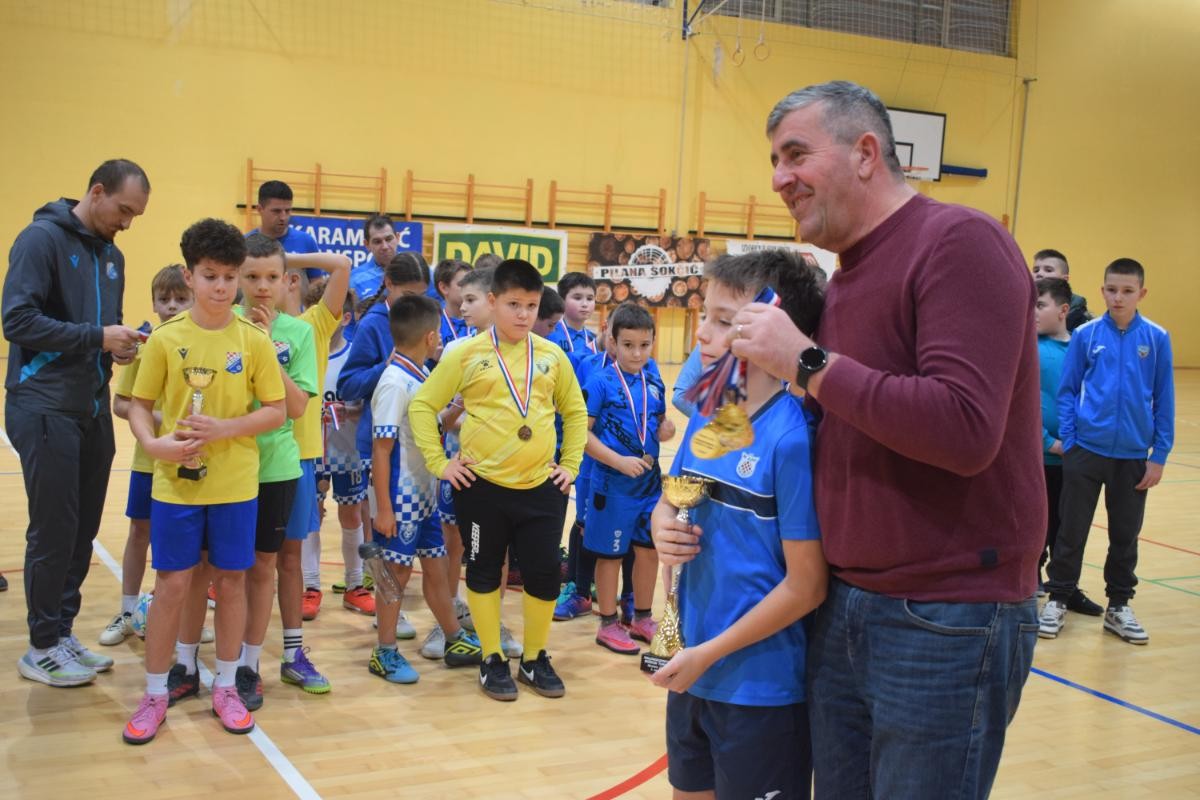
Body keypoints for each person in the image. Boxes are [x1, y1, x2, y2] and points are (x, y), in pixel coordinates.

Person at [721, 81, 1043, 797]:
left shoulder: (959, 241)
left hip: (946, 613)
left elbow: (964, 428)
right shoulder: (846, 278)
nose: (778, 179)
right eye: (774, 160)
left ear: (866, 153)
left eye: (796, 154)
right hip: (847, 601)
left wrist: (807, 363)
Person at [650, 251, 828, 800]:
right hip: (693, 669)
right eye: (705, 315)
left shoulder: (790, 440)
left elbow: (807, 586)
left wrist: (709, 654)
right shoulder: (711, 411)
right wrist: (661, 523)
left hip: (759, 690)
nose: (702, 333)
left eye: (724, 321)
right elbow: (670, 501)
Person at [120, 218, 286, 744]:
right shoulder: (166, 339)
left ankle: (228, 685)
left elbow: (277, 410)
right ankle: (154, 693)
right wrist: (153, 445)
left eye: (229, 277)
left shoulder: (253, 340)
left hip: (236, 485)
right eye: (210, 276)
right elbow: (139, 406)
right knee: (172, 583)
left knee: (231, 582)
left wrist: (224, 429)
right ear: (189, 276)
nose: (221, 287)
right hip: (176, 484)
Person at [410, 259, 587, 702]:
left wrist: (570, 465)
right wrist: (439, 463)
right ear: (492, 302)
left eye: (531, 306)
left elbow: (575, 411)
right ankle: (492, 658)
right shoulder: (465, 354)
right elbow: (422, 405)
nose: (523, 314)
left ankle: (534, 658)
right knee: (485, 571)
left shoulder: (552, 355)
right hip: (482, 488)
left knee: (544, 574)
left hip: (542, 488)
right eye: (513, 304)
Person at [5, 159, 149, 687]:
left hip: (90, 406)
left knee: (83, 528)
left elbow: (100, 331)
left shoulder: (113, 255)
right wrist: (96, 337)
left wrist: (119, 347)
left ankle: (62, 634)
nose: (127, 223)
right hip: (43, 404)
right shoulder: (40, 240)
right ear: (97, 191)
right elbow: (16, 320)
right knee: (54, 529)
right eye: (123, 210)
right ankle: (40, 644)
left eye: (135, 216)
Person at [1038, 258, 1174, 646]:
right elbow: (1068, 390)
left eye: (1127, 291)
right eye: (1112, 290)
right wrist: (1071, 438)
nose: (1118, 297)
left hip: (1132, 456)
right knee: (1071, 530)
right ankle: (1058, 598)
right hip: (1086, 452)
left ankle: (1119, 605)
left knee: (1125, 535)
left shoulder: (1157, 338)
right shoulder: (1086, 335)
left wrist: (1158, 455)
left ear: (1141, 294)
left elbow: (1164, 398)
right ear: (1102, 291)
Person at [368, 295, 484, 683]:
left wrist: (458, 405)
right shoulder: (394, 382)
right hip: (399, 497)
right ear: (431, 337)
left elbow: (431, 429)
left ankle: (454, 637)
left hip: (423, 493)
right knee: (395, 573)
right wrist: (385, 508)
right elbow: (381, 448)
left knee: (435, 567)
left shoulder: (419, 376)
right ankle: (384, 652)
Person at [337, 253, 432, 640]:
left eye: (421, 295)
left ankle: (405, 612)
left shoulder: (423, 321)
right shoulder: (373, 323)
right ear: (388, 285)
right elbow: (347, 384)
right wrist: (389, 365)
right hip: (377, 445)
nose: (416, 302)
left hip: (412, 450)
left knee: (410, 547)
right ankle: (386, 616)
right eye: (409, 294)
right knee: (383, 536)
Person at [100, 265, 194, 647]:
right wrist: (162, 420)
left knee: (185, 543)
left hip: (190, 462)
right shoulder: (145, 347)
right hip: (148, 461)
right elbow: (121, 404)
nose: (171, 306)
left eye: (180, 299)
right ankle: (128, 611)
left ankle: (182, 616)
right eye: (163, 299)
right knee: (140, 532)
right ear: (153, 303)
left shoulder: (203, 347)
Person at [583, 303, 674, 655]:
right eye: (628, 345)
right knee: (611, 555)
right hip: (612, 484)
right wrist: (618, 462)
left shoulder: (655, 380)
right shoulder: (599, 383)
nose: (637, 353)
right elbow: (581, 435)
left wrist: (667, 429)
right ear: (612, 342)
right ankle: (608, 623)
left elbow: (658, 423)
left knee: (649, 551)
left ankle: (641, 617)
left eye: (644, 345)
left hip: (649, 484)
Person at [315, 295, 373, 609]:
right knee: (311, 517)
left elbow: (367, 406)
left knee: (351, 515)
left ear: (346, 318)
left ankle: (355, 584)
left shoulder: (354, 357)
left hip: (348, 453)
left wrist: (348, 411)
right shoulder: (304, 353)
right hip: (310, 452)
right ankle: (310, 585)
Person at [1032, 277, 1073, 598]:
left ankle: (1063, 587)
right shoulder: (1031, 348)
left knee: (1065, 527)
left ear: (1063, 310)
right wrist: (1048, 442)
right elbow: (1023, 406)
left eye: (1040, 305)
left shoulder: (1081, 348)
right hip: (1039, 459)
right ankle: (1029, 578)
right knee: (1036, 525)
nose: (1032, 312)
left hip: (1072, 460)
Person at [248, 180, 321, 279]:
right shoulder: (245, 244)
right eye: (276, 211)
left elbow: (316, 282)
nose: (283, 217)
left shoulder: (306, 241)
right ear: (260, 209)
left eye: (287, 211)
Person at [1031, 248, 1093, 332]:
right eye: (1036, 270)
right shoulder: (1024, 303)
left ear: (1064, 279)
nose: (1039, 274)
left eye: (1048, 270)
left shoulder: (1080, 317)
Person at [547, 271, 598, 364]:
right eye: (577, 298)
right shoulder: (549, 333)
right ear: (561, 300)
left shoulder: (594, 338)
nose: (585, 304)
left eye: (590, 299)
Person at [349, 214, 399, 303]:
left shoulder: (416, 270)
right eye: (377, 242)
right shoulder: (353, 279)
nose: (385, 246)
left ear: (398, 238)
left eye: (388, 239)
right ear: (367, 245)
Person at [433, 258, 474, 346]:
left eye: (472, 283)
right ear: (444, 288)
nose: (470, 289)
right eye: (463, 284)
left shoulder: (481, 318)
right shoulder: (433, 324)